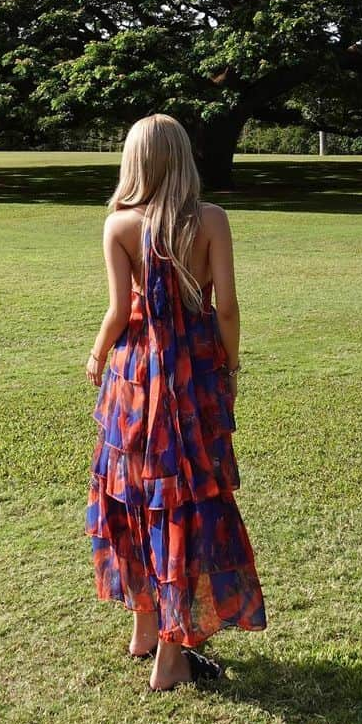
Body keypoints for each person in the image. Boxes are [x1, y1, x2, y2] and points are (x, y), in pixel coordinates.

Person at [84, 113, 267, 691]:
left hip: (135, 377)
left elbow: (118, 314)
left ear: (134, 161)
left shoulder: (119, 226)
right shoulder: (211, 220)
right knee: (183, 505)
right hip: (192, 377)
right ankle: (169, 651)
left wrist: (95, 357)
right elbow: (228, 308)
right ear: (184, 158)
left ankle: (146, 627)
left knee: (133, 494)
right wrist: (231, 365)